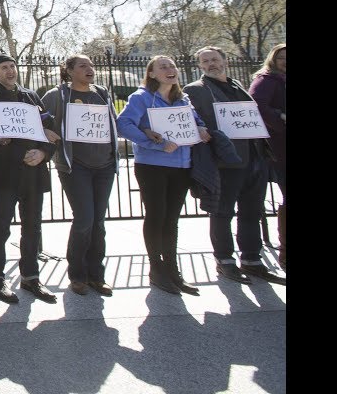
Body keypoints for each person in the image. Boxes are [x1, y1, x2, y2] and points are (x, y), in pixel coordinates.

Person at [185, 46, 285, 286]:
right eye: (206, 61)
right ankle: (225, 260)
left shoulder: (237, 85)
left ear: (225, 61)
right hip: (225, 161)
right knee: (222, 212)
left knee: (252, 211)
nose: (212, 64)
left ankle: (252, 260)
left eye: (215, 59)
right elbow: (194, 121)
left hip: (254, 157)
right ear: (200, 66)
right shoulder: (195, 90)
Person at [117, 55, 211, 296]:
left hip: (181, 165)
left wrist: (200, 128)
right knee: (156, 215)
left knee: (172, 219)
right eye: (163, 67)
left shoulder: (183, 99)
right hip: (152, 166)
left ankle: (172, 270)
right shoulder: (141, 97)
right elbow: (124, 124)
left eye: (172, 66)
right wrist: (153, 142)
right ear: (151, 74)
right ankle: (156, 269)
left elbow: (195, 121)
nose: (170, 69)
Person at [0, 54, 61, 304]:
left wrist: (44, 153)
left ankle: (30, 276)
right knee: (1, 226)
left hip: (35, 173)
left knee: (32, 226)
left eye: (13, 66)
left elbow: (51, 129)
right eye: (4, 68)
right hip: (7, 174)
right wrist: (10, 148)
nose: (10, 71)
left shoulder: (31, 97)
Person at [41, 54, 119, 297]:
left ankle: (97, 275)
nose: (90, 69)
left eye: (91, 65)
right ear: (69, 70)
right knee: (84, 219)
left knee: (99, 222)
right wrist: (45, 129)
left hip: (104, 165)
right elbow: (36, 116)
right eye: (83, 65)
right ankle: (77, 275)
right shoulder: (57, 95)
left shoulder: (102, 93)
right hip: (76, 167)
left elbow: (113, 123)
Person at [248, 43, 286, 270]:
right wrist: (280, 117)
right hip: (280, 148)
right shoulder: (267, 80)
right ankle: (285, 252)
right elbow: (256, 105)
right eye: (282, 58)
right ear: (274, 59)